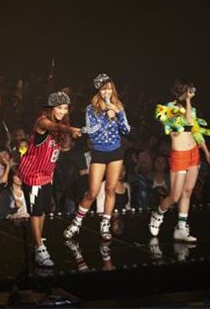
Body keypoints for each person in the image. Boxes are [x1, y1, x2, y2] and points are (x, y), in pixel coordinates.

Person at [19, 91, 82, 267]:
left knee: (44, 210)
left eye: (65, 108)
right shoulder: (42, 122)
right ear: (51, 108)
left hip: (47, 175)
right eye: (60, 108)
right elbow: (55, 127)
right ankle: (39, 248)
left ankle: (38, 240)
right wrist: (71, 129)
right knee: (36, 211)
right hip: (33, 175)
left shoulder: (59, 124)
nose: (63, 111)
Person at [64, 74, 130, 241]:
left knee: (110, 189)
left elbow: (126, 130)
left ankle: (105, 224)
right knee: (92, 192)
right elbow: (91, 131)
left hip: (115, 152)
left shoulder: (118, 106)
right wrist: (105, 117)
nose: (107, 91)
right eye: (103, 89)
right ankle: (76, 223)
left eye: (109, 88)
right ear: (98, 91)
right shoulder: (91, 108)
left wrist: (118, 114)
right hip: (99, 152)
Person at [149, 80, 210, 242]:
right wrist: (187, 102)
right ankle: (158, 213)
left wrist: (206, 151)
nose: (191, 93)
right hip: (179, 154)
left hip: (194, 153)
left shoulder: (191, 109)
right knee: (175, 196)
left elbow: (195, 130)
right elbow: (187, 123)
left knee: (188, 192)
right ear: (181, 92)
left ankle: (181, 228)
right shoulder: (168, 108)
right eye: (188, 91)